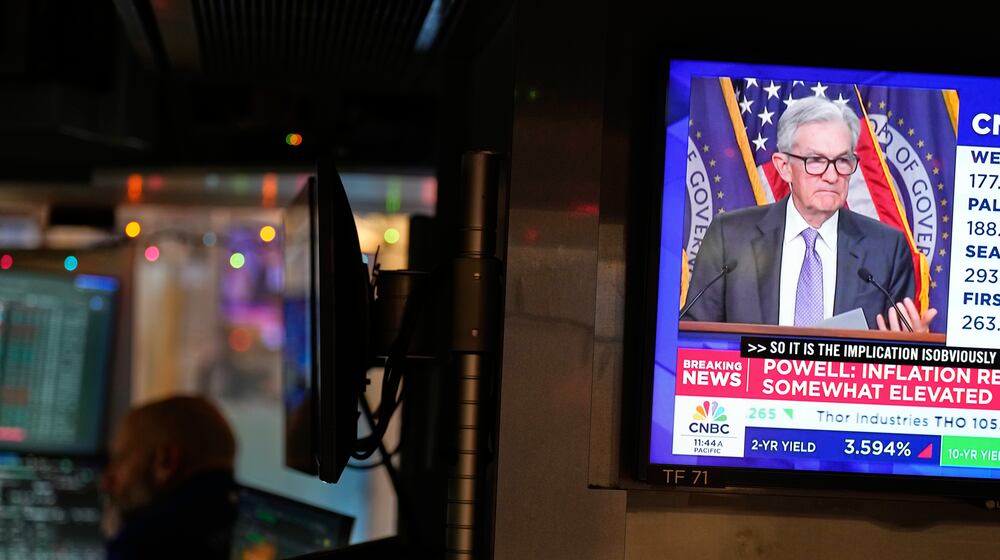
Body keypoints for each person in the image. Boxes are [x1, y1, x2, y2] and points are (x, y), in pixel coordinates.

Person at [682, 96, 937, 332]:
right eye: (815, 160)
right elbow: (695, 341)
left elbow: (898, 356)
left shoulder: (887, 249)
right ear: (784, 168)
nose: (831, 175)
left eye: (843, 161)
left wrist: (914, 345)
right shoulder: (730, 238)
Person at [101, 395, 239, 560]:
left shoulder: (140, 546)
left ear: (166, 461)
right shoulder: (232, 520)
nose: (106, 482)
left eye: (121, 460)